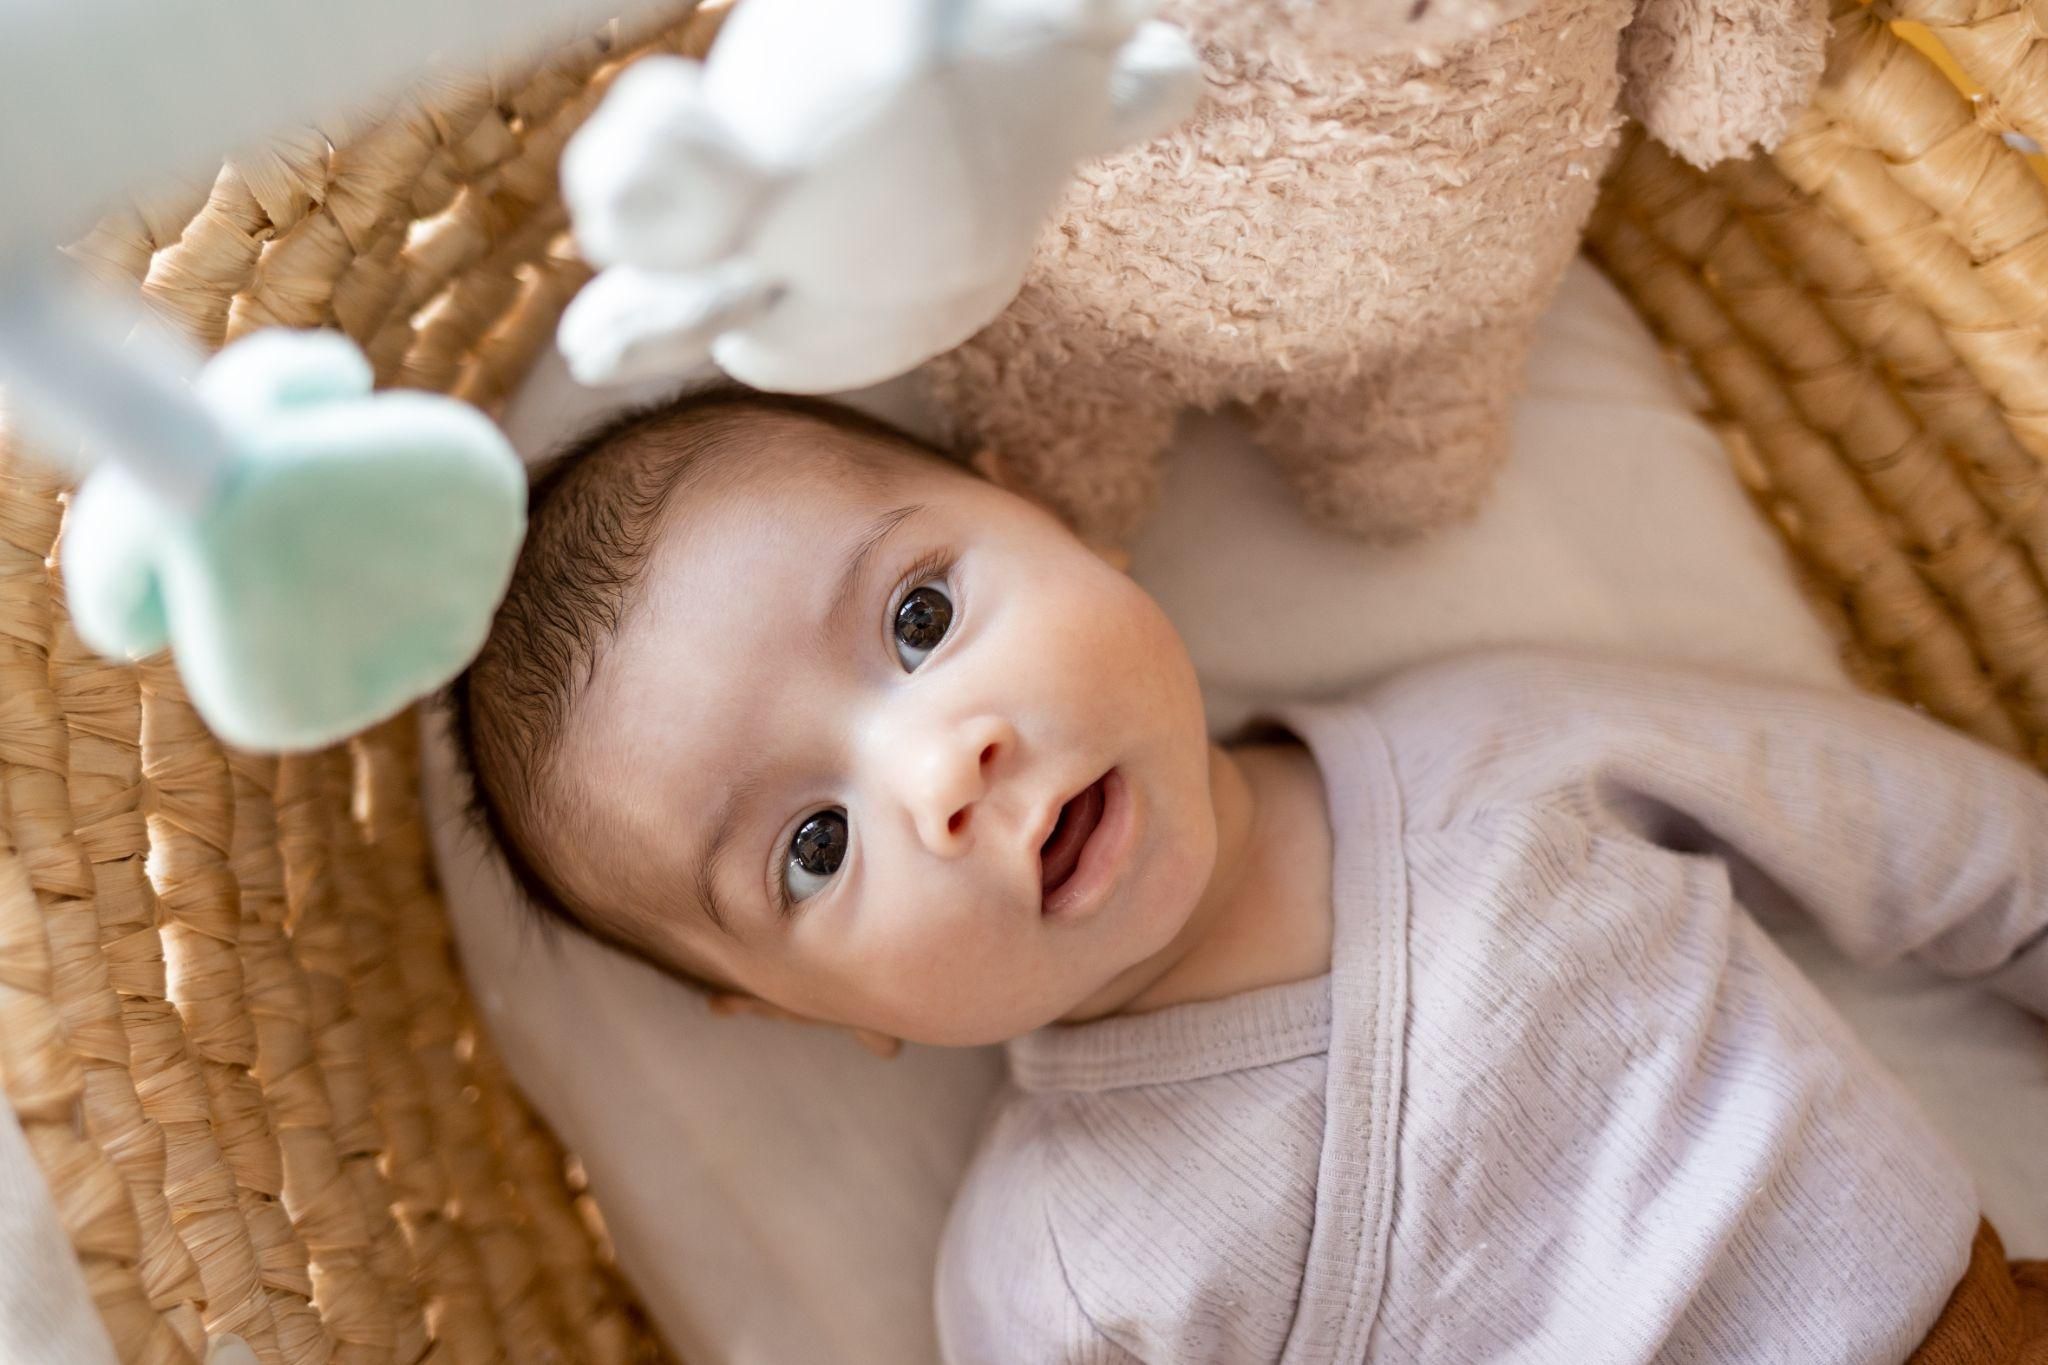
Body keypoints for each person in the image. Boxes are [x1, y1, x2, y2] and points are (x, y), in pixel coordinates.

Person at [452, 384, 2048, 1363]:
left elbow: (1925, 838)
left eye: (920, 620)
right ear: (818, 1014)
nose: (946, 769)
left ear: (1070, 519)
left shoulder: (1505, 746)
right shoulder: (1055, 1277)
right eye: (816, 844)